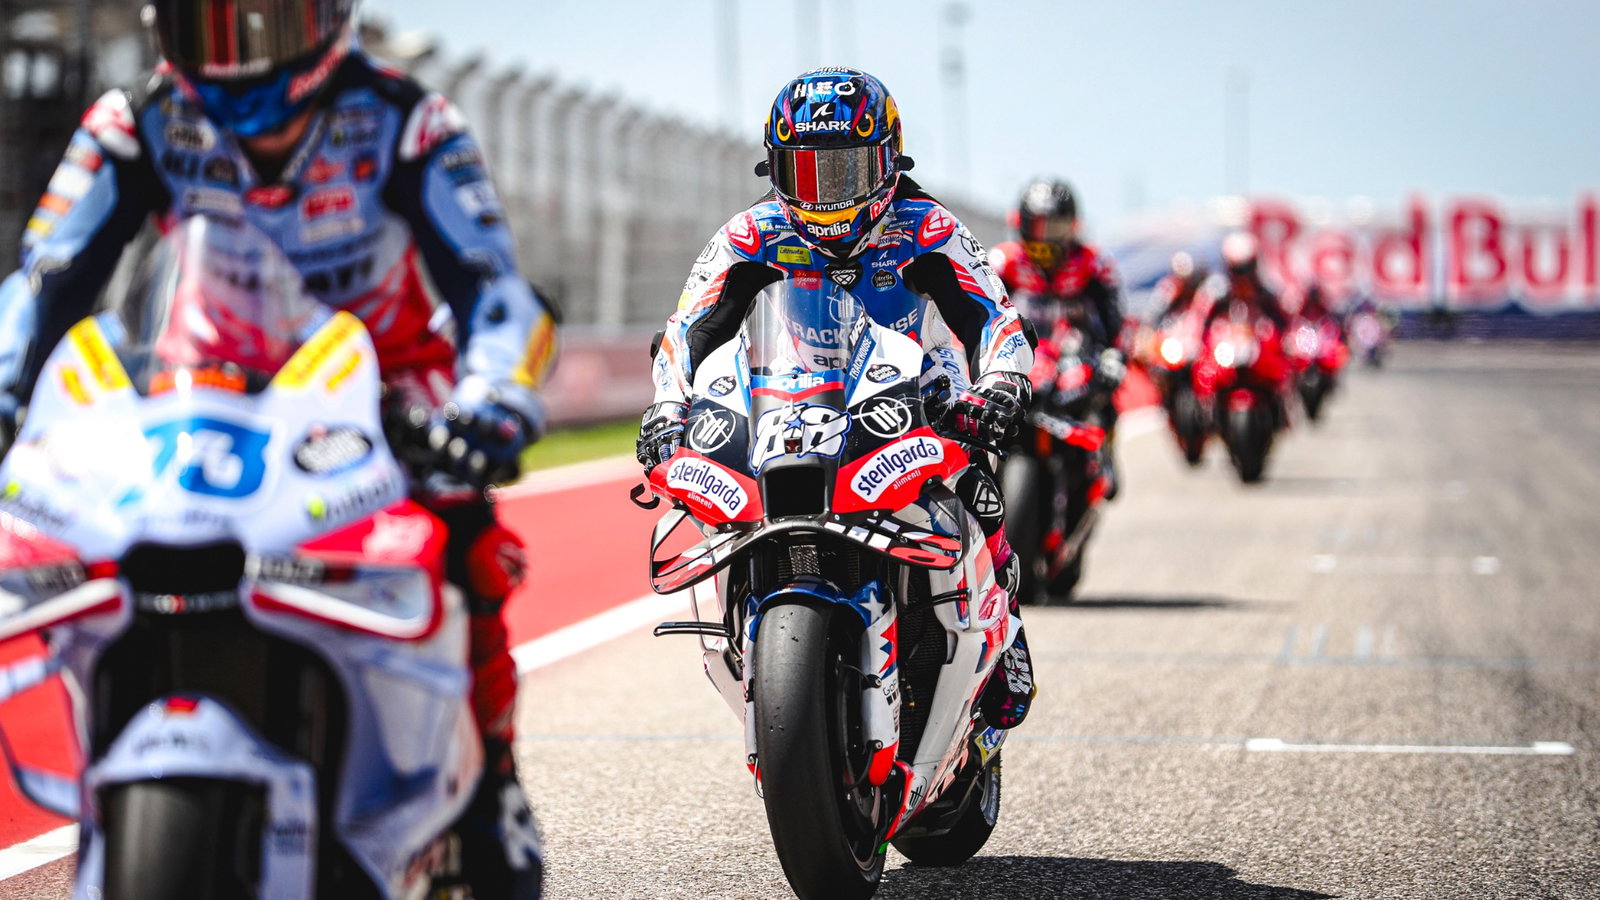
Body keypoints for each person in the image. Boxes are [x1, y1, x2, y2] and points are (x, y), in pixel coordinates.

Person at [0, 1, 551, 894]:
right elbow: (43, 279)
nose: (238, 57)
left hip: (381, 398)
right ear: (161, 29)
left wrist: (496, 398)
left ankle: (488, 786)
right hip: (193, 393)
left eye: (263, 22)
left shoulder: (412, 119)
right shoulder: (133, 117)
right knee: (86, 548)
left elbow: (495, 290)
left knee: (466, 547)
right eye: (208, 26)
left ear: (328, 19)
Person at [637, 67, 1038, 729]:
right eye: (807, 173)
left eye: (844, 172)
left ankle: (1008, 625)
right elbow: (690, 326)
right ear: (776, 172)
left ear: (886, 164)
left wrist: (1000, 384)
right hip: (798, 392)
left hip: (919, 386)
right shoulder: (749, 234)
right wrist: (667, 406)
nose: (826, 196)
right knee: (715, 498)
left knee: (977, 486)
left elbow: (993, 317)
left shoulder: (928, 227)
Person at [988, 179, 1127, 497]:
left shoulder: (1093, 262)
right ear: (1020, 223)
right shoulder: (1002, 260)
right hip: (1025, 352)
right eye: (1037, 226)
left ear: (1072, 227)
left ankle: (1104, 452)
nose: (1045, 238)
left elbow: (1114, 316)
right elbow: (980, 311)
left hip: (1074, 353)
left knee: (1104, 391)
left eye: (1055, 227)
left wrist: (1114, 354)